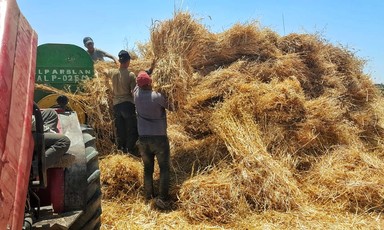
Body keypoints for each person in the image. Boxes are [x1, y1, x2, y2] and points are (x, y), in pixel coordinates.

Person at [133, 71, 174, 210]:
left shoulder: (136, 95)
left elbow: (138, 85)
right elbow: (174, 107)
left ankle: (148, 195)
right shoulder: (157, 96)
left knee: (148, 169)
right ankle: (162, 198)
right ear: (150, 82)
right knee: (164, 169)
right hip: (159, 138)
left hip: (143, 138)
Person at [106, 50, 138, 155]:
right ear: (128, 61)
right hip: (127, 104)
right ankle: (129, 150)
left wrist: (108, 86)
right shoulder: (131, 75)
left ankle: (121, 149)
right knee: (131, 129)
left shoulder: (112, 72)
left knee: (120, 129)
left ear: (120, 61)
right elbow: (134, 92)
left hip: (116, 105)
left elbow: (104, 72)